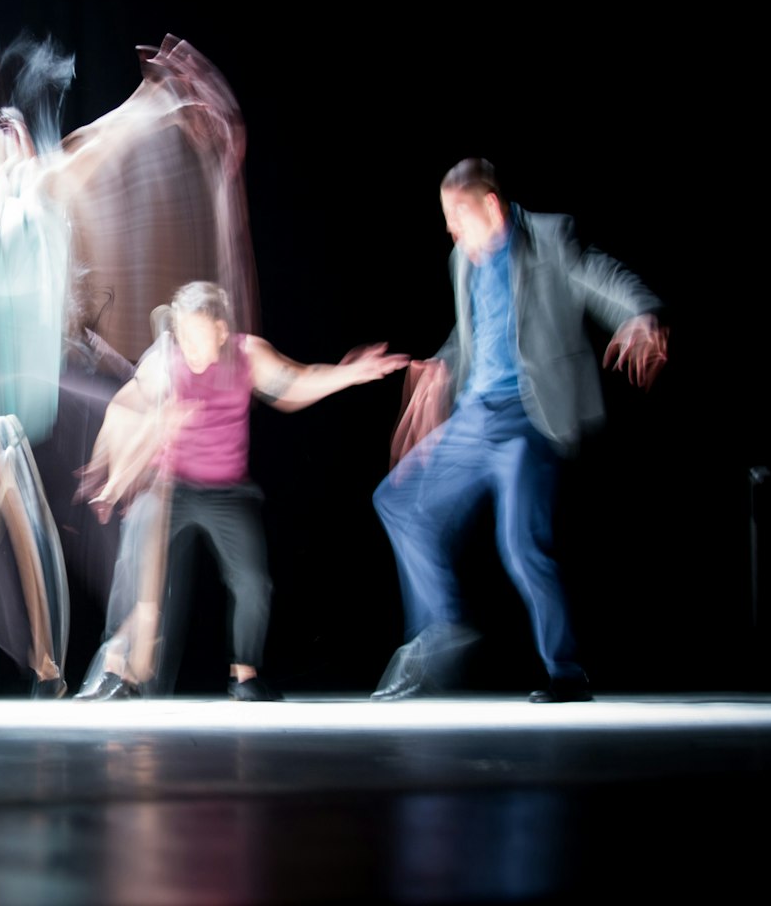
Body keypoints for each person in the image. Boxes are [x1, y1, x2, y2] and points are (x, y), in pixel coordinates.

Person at [0, 14, 257, 697]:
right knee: (7, 512)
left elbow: (107, 139)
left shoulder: (51, 179)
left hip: (38, 373)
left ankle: (128, 648)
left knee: (125, 466)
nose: (9, 141)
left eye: (17, 133)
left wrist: (162, 98)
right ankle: (46, 666)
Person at [371, 157, 668, 703]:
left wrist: (639, 313)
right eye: (446, 220)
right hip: (475, 417)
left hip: (530, 418)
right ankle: (442, 630)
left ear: (490, 206)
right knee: (398, 498)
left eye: (457, 216)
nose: (451, 230)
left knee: (521, 542)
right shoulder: (463, 259)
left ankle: (565, 671)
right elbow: (473, 333)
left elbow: (600, 276)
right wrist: (441, 367)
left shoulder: (550, 238)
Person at [76, 281, 408, 701]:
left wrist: (349, 375)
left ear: (220, 331)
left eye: (198, 337)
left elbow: (296, 382)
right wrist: (110, 474)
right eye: (183, 337)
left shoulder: (248, 355)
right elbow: (125, 410)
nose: (190, 349)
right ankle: (115, 672)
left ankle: (245, 676)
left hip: (226, 491)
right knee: (138, 575)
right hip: (168, 488)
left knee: (252, 582)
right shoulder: (166, 363)